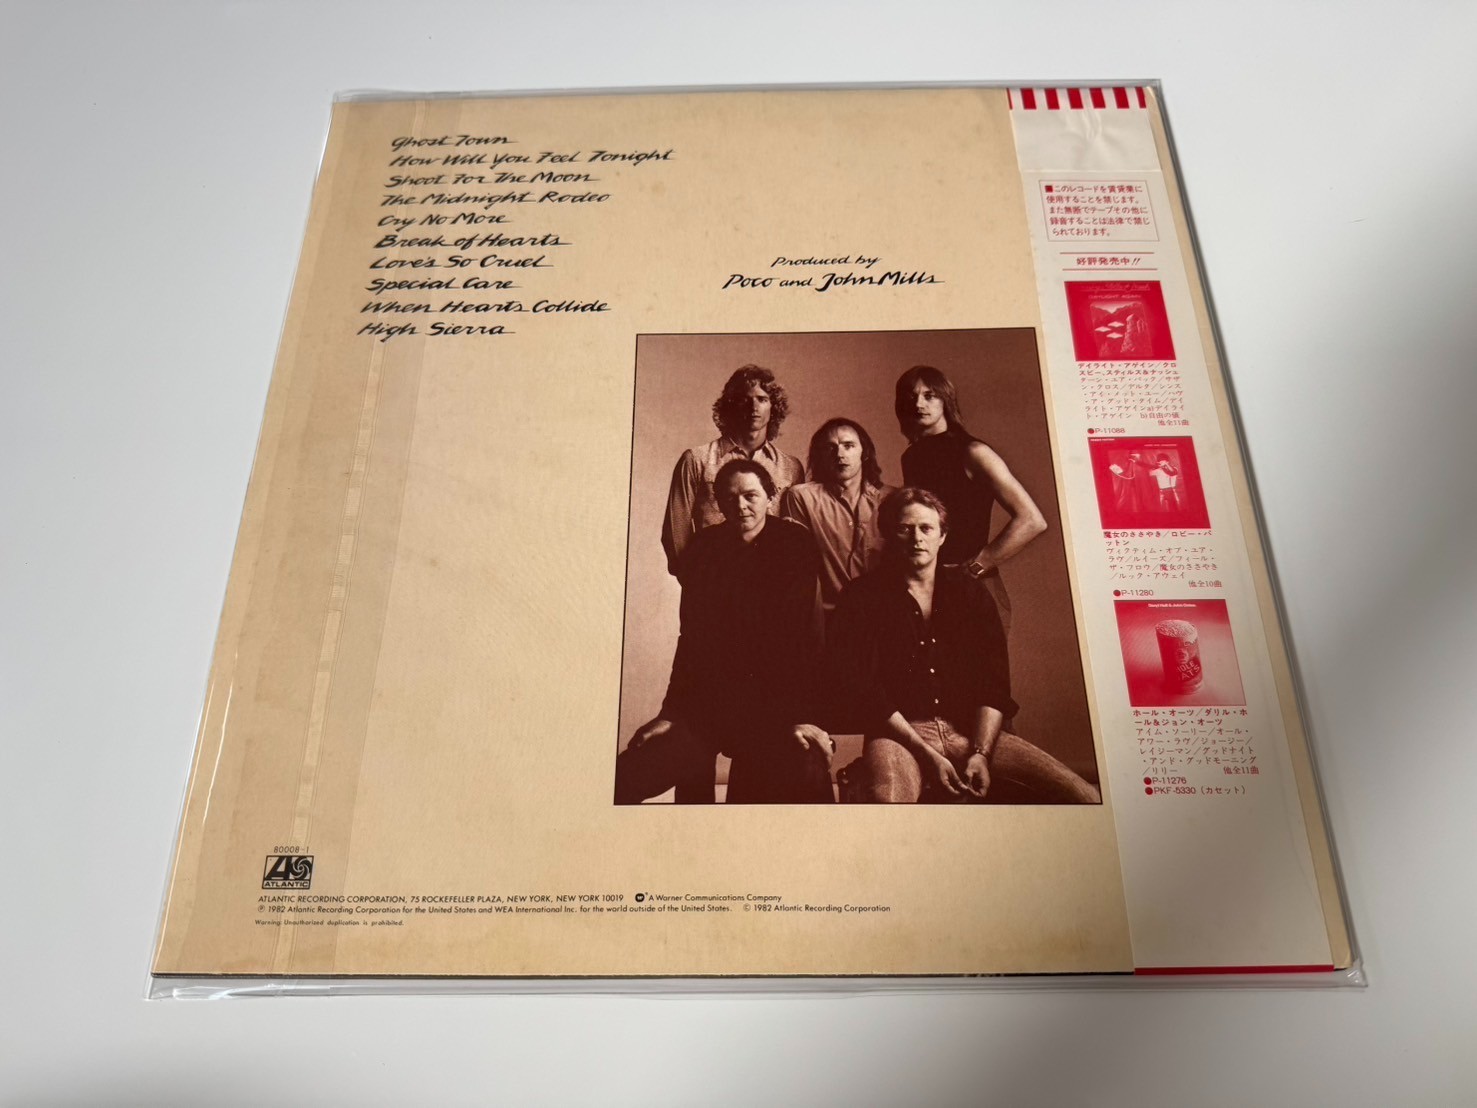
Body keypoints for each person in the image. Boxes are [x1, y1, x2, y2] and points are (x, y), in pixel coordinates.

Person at [828, 488, 1100, 804]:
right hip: (898, 735)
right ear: (889, 534)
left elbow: (992, 685)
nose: (917, 538)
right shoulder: (861, 596)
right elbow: (864, 690)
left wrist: (981, 754)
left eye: (926, 528)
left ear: (942, 536)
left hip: (969, 732)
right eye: (905, 529)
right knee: (890, 804)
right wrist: (926, 752)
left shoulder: (971, 594)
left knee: (1084, 795)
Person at [617, 459, 834, 804]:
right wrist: (671, 713)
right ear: (718, 501)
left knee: (797, 776)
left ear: (770, 496)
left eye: (750, 495)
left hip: (776, 708)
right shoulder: (704, 547)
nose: (740, 505)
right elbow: (691, 640)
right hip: (710, 705)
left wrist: (804, 717)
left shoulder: (795, 543)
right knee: (629, 773)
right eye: (729, 497)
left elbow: (804, 641)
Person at [894, 366, 1046, 636]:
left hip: (975, 588)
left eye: (929, 395)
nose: (918, 404)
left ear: (945, 400)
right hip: (928, 587)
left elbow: (1032, 520)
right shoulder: (912, 457)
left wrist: (977, 566)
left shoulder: (974, 452)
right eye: (911, 396)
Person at [661, 365, 806, 577]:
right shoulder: (696, 459)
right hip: (713, 578)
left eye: (762, 399)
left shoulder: (791, 466)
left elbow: (795, 536)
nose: (753, 407)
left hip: (771, 581)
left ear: (773, 406)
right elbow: (675, 533)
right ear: (731, 405)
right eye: (744, 399)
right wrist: (695, 581)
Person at [777, 417, 896, 624]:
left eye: (848, 446)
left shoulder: (891, 498)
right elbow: (798, 565)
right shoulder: (801, 497)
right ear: (820, 455)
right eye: (830, 448)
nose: (840, 454)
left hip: (882, 615)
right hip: (830, 616)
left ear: (864, 453)